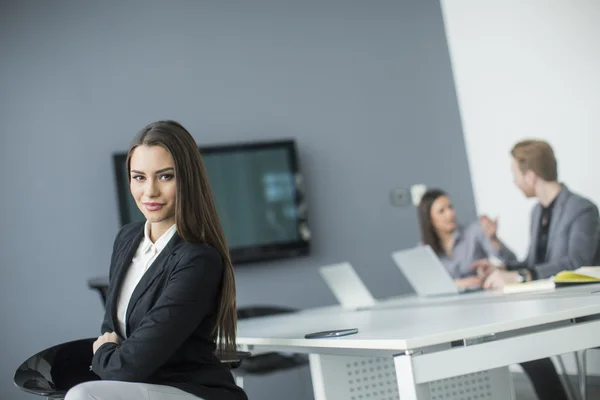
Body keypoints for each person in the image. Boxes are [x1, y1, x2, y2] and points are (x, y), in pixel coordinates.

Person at [66, 121, 248, 400]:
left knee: (83, 396)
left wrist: (104, 355)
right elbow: (111, 328)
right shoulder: (127, 238)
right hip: (137, 387)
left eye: (165, 176)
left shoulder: (198, 259)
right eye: (139, 177)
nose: (149, 191)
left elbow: (127, 362)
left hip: (190, 391)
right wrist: (112, 357)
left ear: (187, 180)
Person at [474, 139, 600, 400]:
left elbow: (578, 263)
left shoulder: (582, 209)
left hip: (579, 307)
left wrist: (523, 276)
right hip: (547, 305)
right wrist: (501, 260)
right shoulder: (536, 213)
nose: (514, 181)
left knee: (522, 340)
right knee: (518, 342)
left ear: (530, 176)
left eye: (515, 174)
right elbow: (532, 262)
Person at [417, 189, 517, 289]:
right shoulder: (424, 248)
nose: (450, 214)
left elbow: (511, 262)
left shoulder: (474, 231)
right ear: (429, 219)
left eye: (450, 207)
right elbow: (428, 286)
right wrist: (457, 284)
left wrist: (494, 240)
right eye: (441, 211)